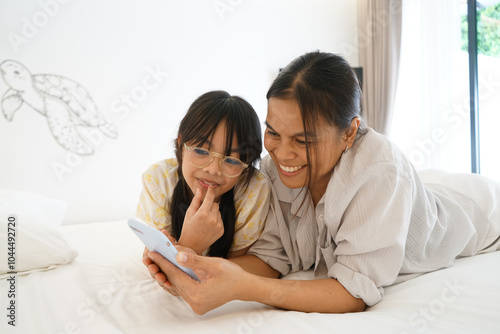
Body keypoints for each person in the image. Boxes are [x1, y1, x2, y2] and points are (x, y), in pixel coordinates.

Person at [146, 52, 500, 314]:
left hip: (479, 212)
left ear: (349, 132)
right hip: (424, 188)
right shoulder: (273, 173)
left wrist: (246, 288)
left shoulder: (378, 172)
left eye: (303, 141)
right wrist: (193, 266)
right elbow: (271, 257)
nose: (282, 154)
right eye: (272, 132)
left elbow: (353, 293)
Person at [137, 90, 270, 267]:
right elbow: (163, 261)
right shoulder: (158, 180)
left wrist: (188, 249)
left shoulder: (253, 190)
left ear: (246, 166)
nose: (213, 170)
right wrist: (190, 245)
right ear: (181, 144)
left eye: (231, 160)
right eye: (201, 151)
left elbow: (232, 270)